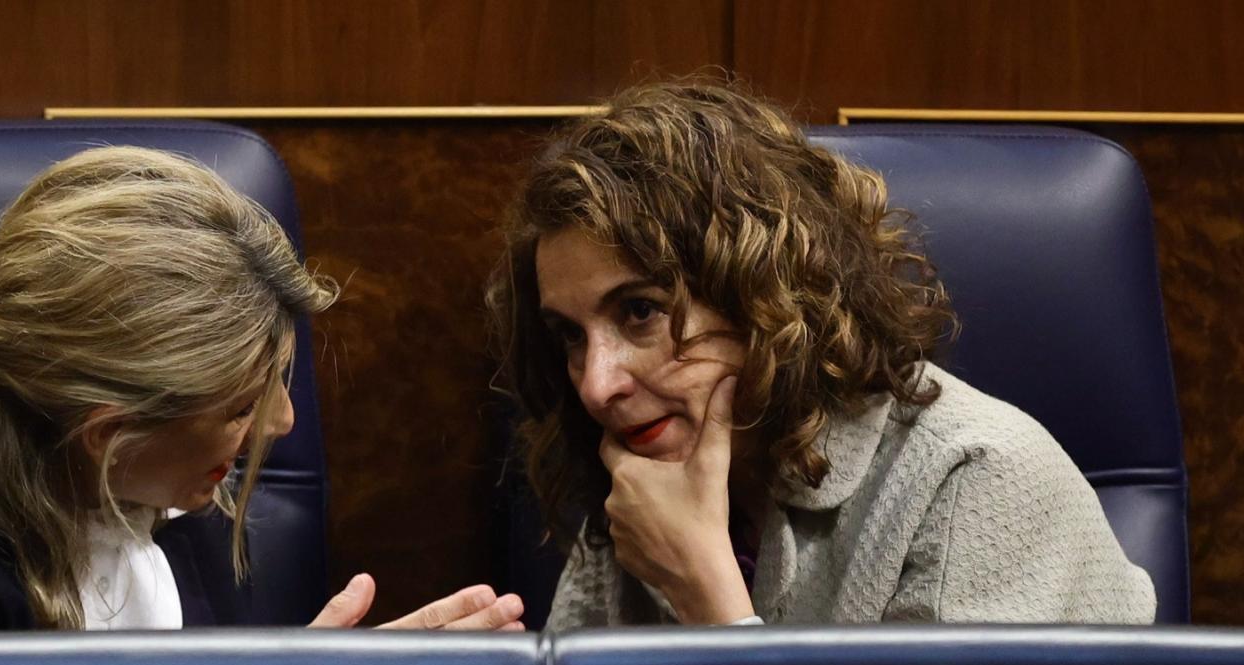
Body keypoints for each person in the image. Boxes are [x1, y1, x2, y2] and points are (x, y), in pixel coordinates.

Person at [0, 145, 523, 633]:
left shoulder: (173, 504)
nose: (283, 423)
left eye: (280, 382)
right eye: (240, 407)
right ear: (108, 434)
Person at [487, 79, 1156, 627]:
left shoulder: (979, 479)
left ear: (764, 296)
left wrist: (708, 600)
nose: (597, 385)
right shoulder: (644, 474)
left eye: (640, 312)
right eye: (570, 336)